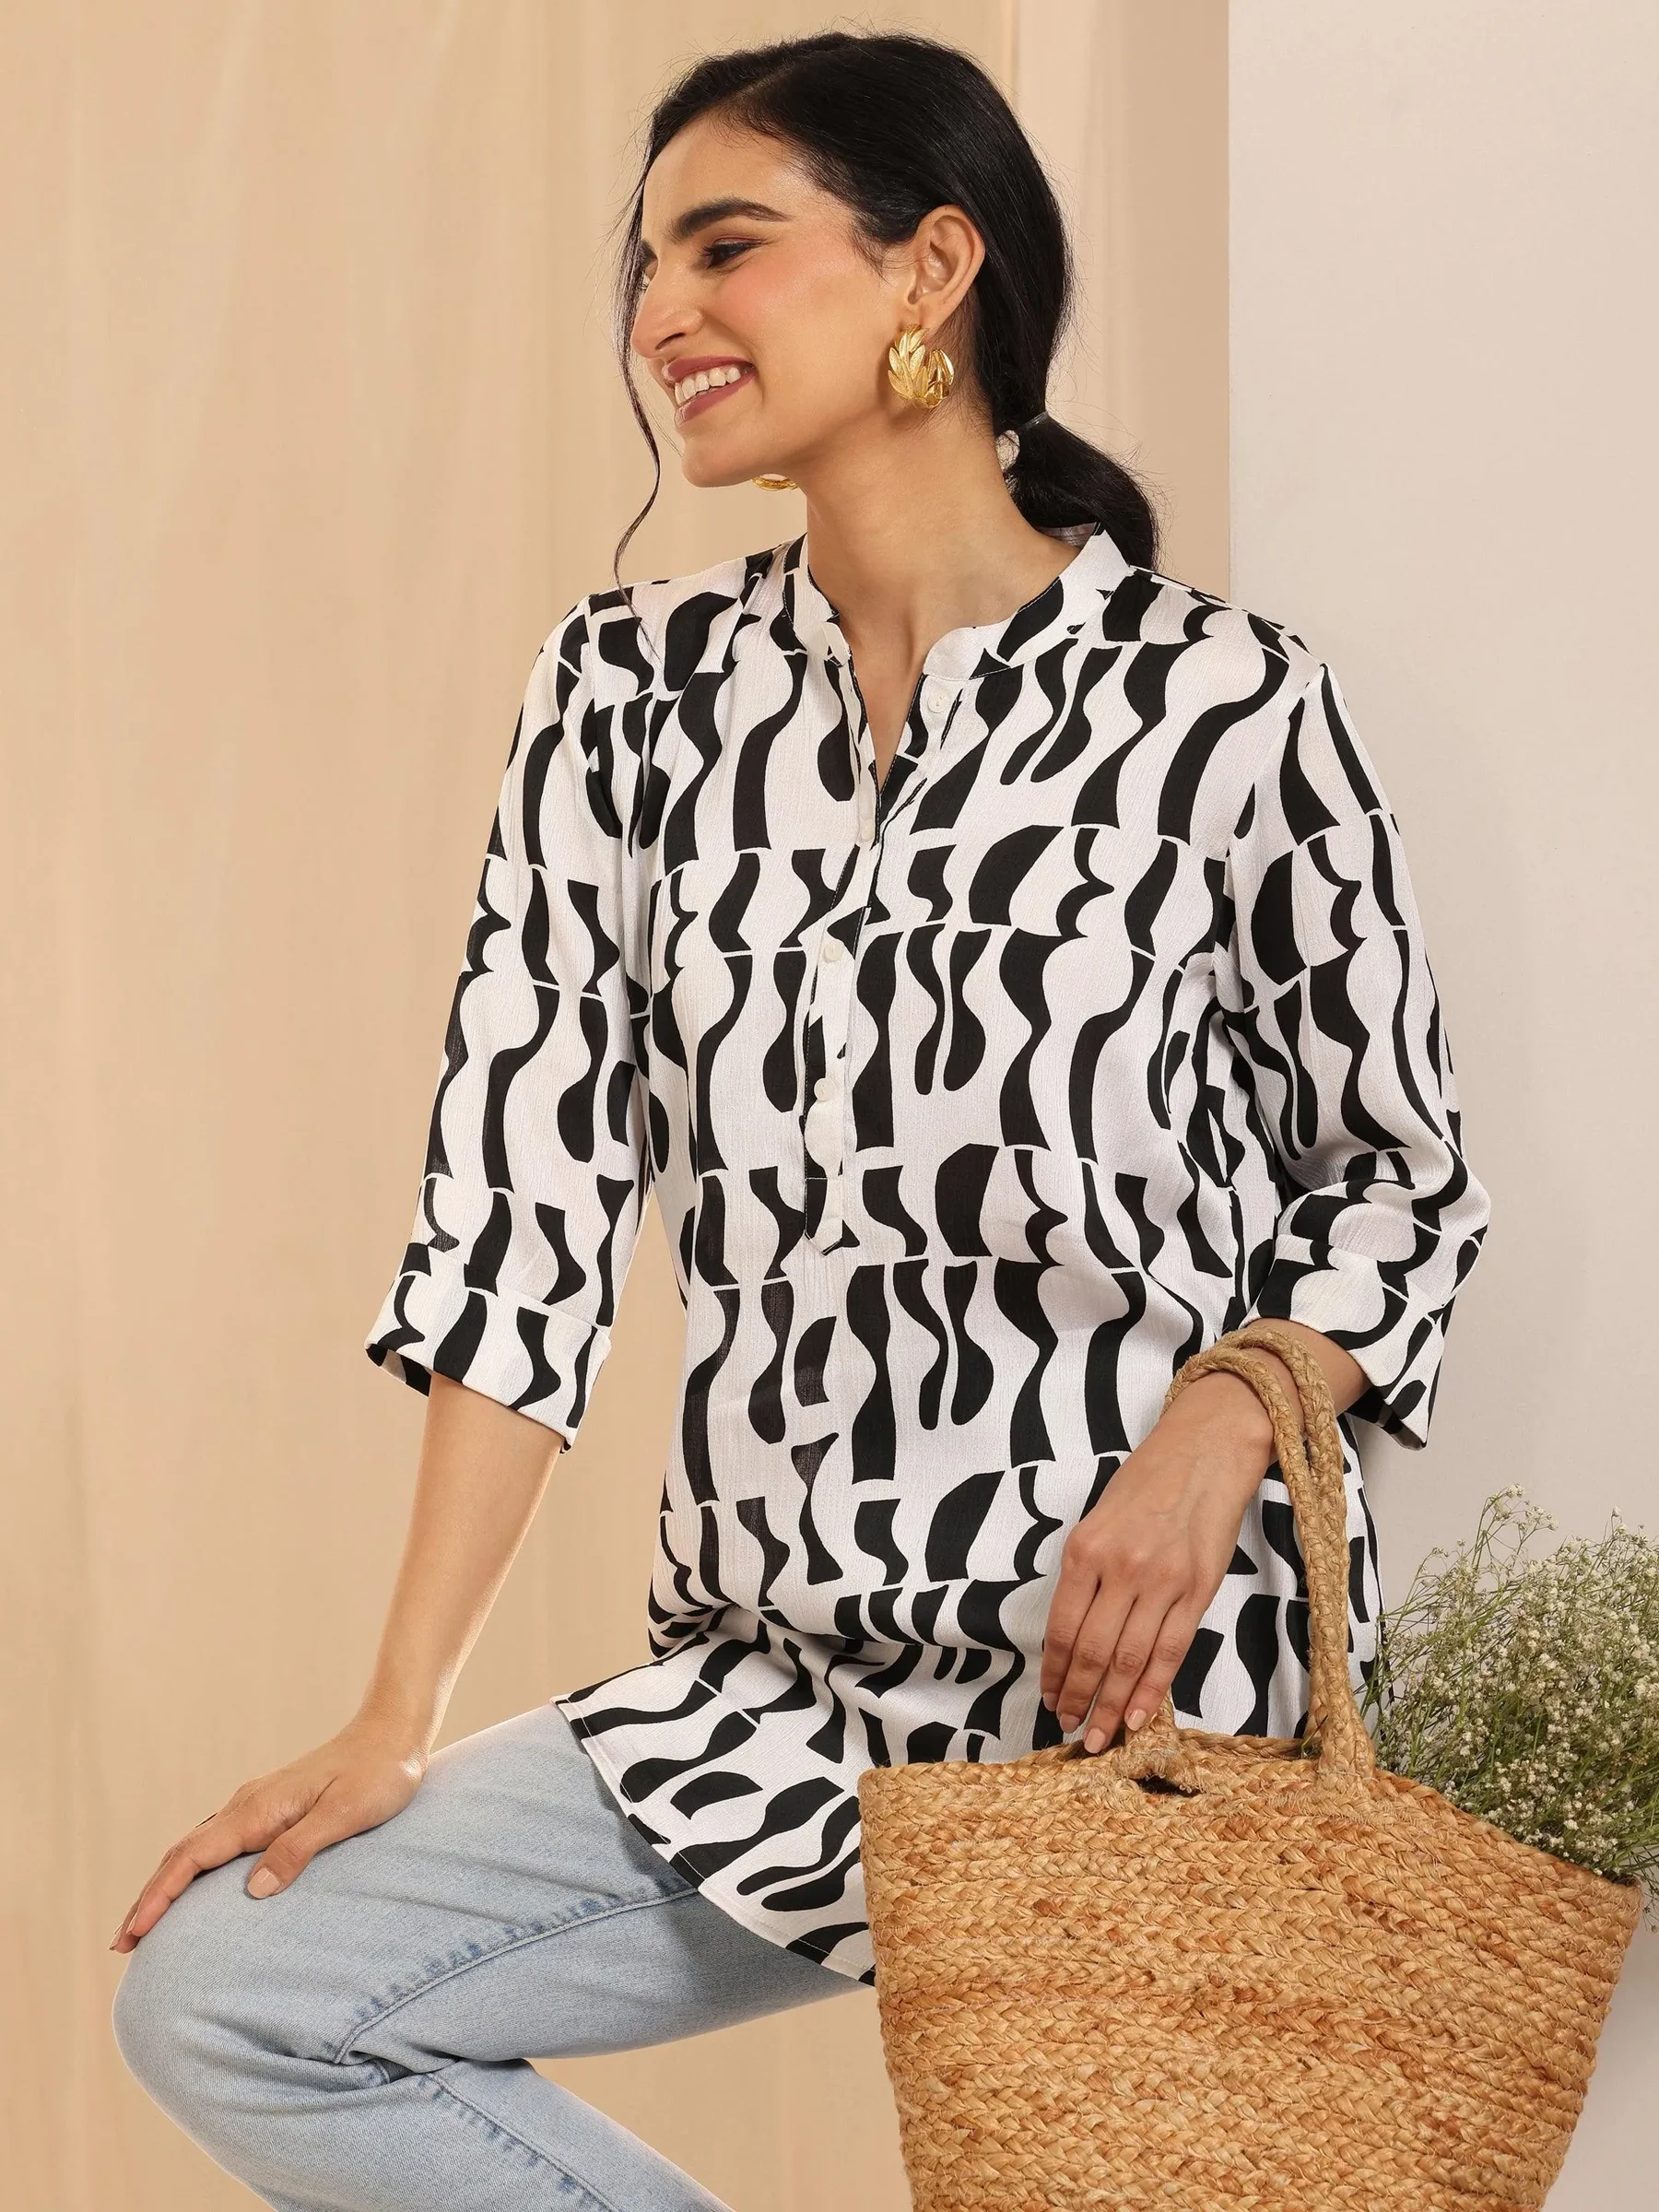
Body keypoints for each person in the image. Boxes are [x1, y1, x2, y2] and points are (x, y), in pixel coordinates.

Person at [110, 29, 1490, 2211]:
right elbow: (523, 1216)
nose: (662, 311)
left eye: (725, 247)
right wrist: (395, 1712)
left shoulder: (1223, 708)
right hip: (777, 1692)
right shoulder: (626, 699)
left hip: (1144, 1704)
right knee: (231, 1992)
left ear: (931, 266)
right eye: (648, 263)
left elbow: (1397, 1182)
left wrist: (1221, 1422)